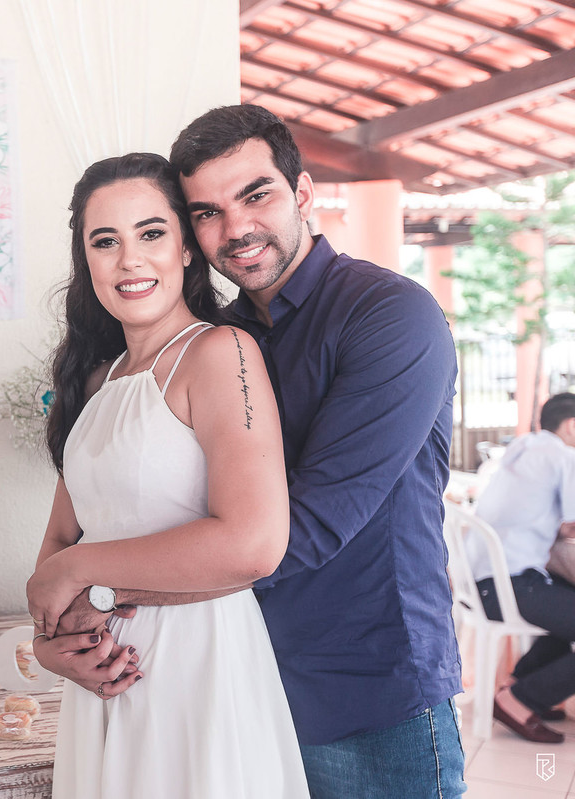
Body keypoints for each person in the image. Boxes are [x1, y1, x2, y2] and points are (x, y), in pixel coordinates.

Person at [30, 105, 464, 799]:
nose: (234, 229)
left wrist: (92, 590)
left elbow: (295, 534)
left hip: (365, 688)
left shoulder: (389, 315)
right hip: (239, 673)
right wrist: (69, 623)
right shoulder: (215, 336)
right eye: (207, 211)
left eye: (255, 195)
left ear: (303, 193)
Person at [26, 152, 309, 797]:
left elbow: (254, 544)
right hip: (102, 679)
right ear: (87, 262)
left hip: (198, 667)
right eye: (106, 242)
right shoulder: (97, 381)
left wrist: (79, 571)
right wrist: (51, 644)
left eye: (151, 233)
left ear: (185, 248)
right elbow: (56, 550)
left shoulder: (220, 353)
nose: (130, 260)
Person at [471, 391, 575, 743]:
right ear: (572, 427)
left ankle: (518, 685)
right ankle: (519, 701)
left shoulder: (524, 449)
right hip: (512, 585)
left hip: (485, 584)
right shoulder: (562, 456)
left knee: (568, 611)